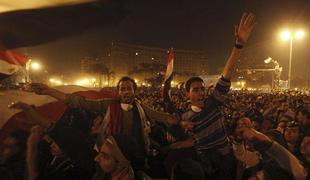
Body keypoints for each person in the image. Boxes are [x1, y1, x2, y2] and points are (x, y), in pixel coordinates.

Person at [165, 12, 256, 179]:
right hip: (206, 166)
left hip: (227, 160)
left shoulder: (214, 101)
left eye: (202, 89)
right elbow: (183, 139)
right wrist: (175, 131)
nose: (201, 92)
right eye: (196, 90)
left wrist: (238, 44)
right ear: (187, 95)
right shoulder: (184, 118)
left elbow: (227, 73)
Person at [26, 76, 176, 177]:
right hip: (109, 157)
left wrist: (178, 121)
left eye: (129, 88)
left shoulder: (141, 107)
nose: (126, 92)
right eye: (122, 88)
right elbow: (79, 102)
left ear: (134, 91)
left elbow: (158, 115)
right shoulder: (109, 104)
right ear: (118, 92)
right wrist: (49, 91)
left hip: (136, 157)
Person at [26, 125, 94, 180]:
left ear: (68, 146)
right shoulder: (65, 158)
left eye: (57, 143)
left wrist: (31, 146)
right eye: (52, 141)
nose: (52, 145)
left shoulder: (75, 170)